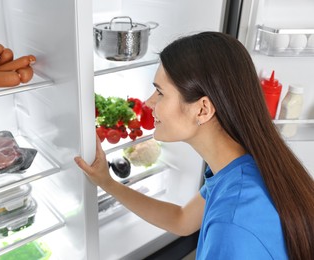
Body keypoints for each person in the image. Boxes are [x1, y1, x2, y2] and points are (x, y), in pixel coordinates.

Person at [74, 31, 314, 259]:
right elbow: (182, 220)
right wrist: (107, 183)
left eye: (160, 93)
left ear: (203, 109)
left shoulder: (232, 226)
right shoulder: (240, 167)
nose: (148, 102)